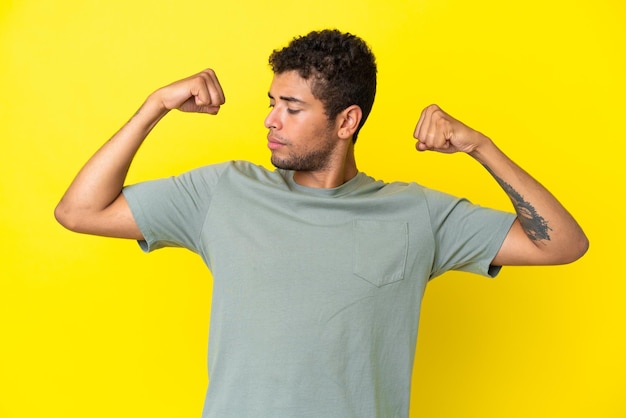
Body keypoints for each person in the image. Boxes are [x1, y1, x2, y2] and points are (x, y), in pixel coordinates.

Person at [55, 29, 588, 418]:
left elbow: (563, 243)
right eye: (271, 103)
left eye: (291, 107)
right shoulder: (223, 192)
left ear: (346, 121)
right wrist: (155, 106)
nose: (269, 120)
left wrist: (481, 148)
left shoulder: (417, 214)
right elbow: (78, 211)